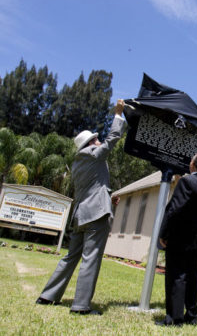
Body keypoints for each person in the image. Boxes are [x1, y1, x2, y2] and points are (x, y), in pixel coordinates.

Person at [36, 99, 126, 315]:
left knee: (70, 257)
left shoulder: (78, 163)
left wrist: (108, 198)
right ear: (91, 143)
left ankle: (48, 295)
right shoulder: (93, 155)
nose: (99, 141)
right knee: (91, 259)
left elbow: (92, 188)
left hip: (81, 216)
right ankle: (81, 306)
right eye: (96, 139)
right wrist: (118, 114)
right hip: (96, 216)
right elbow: (113, 138)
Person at [156, 147, 197, 327]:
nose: (189, 162)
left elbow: (174, 210)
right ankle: (192, 316)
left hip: (181, 238)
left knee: (177, 276)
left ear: (194, 166)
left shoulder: (186, 182)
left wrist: (164, 234)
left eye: (191, 160)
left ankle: (174, 318)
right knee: (192, 276)